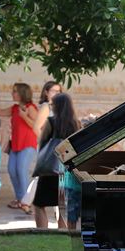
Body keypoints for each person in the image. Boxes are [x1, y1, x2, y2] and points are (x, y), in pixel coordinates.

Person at [33, 93, 81, 229]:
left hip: (50, 171)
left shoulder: (51, 122)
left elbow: (42, 143)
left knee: (38, 204)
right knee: (63, 207)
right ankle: (62, 235)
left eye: (52, 104)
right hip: (67, 171)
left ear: (58, 106)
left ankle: (43, 234)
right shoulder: (76, 124)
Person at [0, 83, 37, 213]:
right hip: (16, 145)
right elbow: (1, 112)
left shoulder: (30, 107)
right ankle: (20, 199)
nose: (12, 94)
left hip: (28, 144)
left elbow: (36, 125)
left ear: (22, 93)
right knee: (12, 170)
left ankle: (26, 202)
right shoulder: (14, 108)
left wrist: (24, 116)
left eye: (15, 91)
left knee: (21, 170)